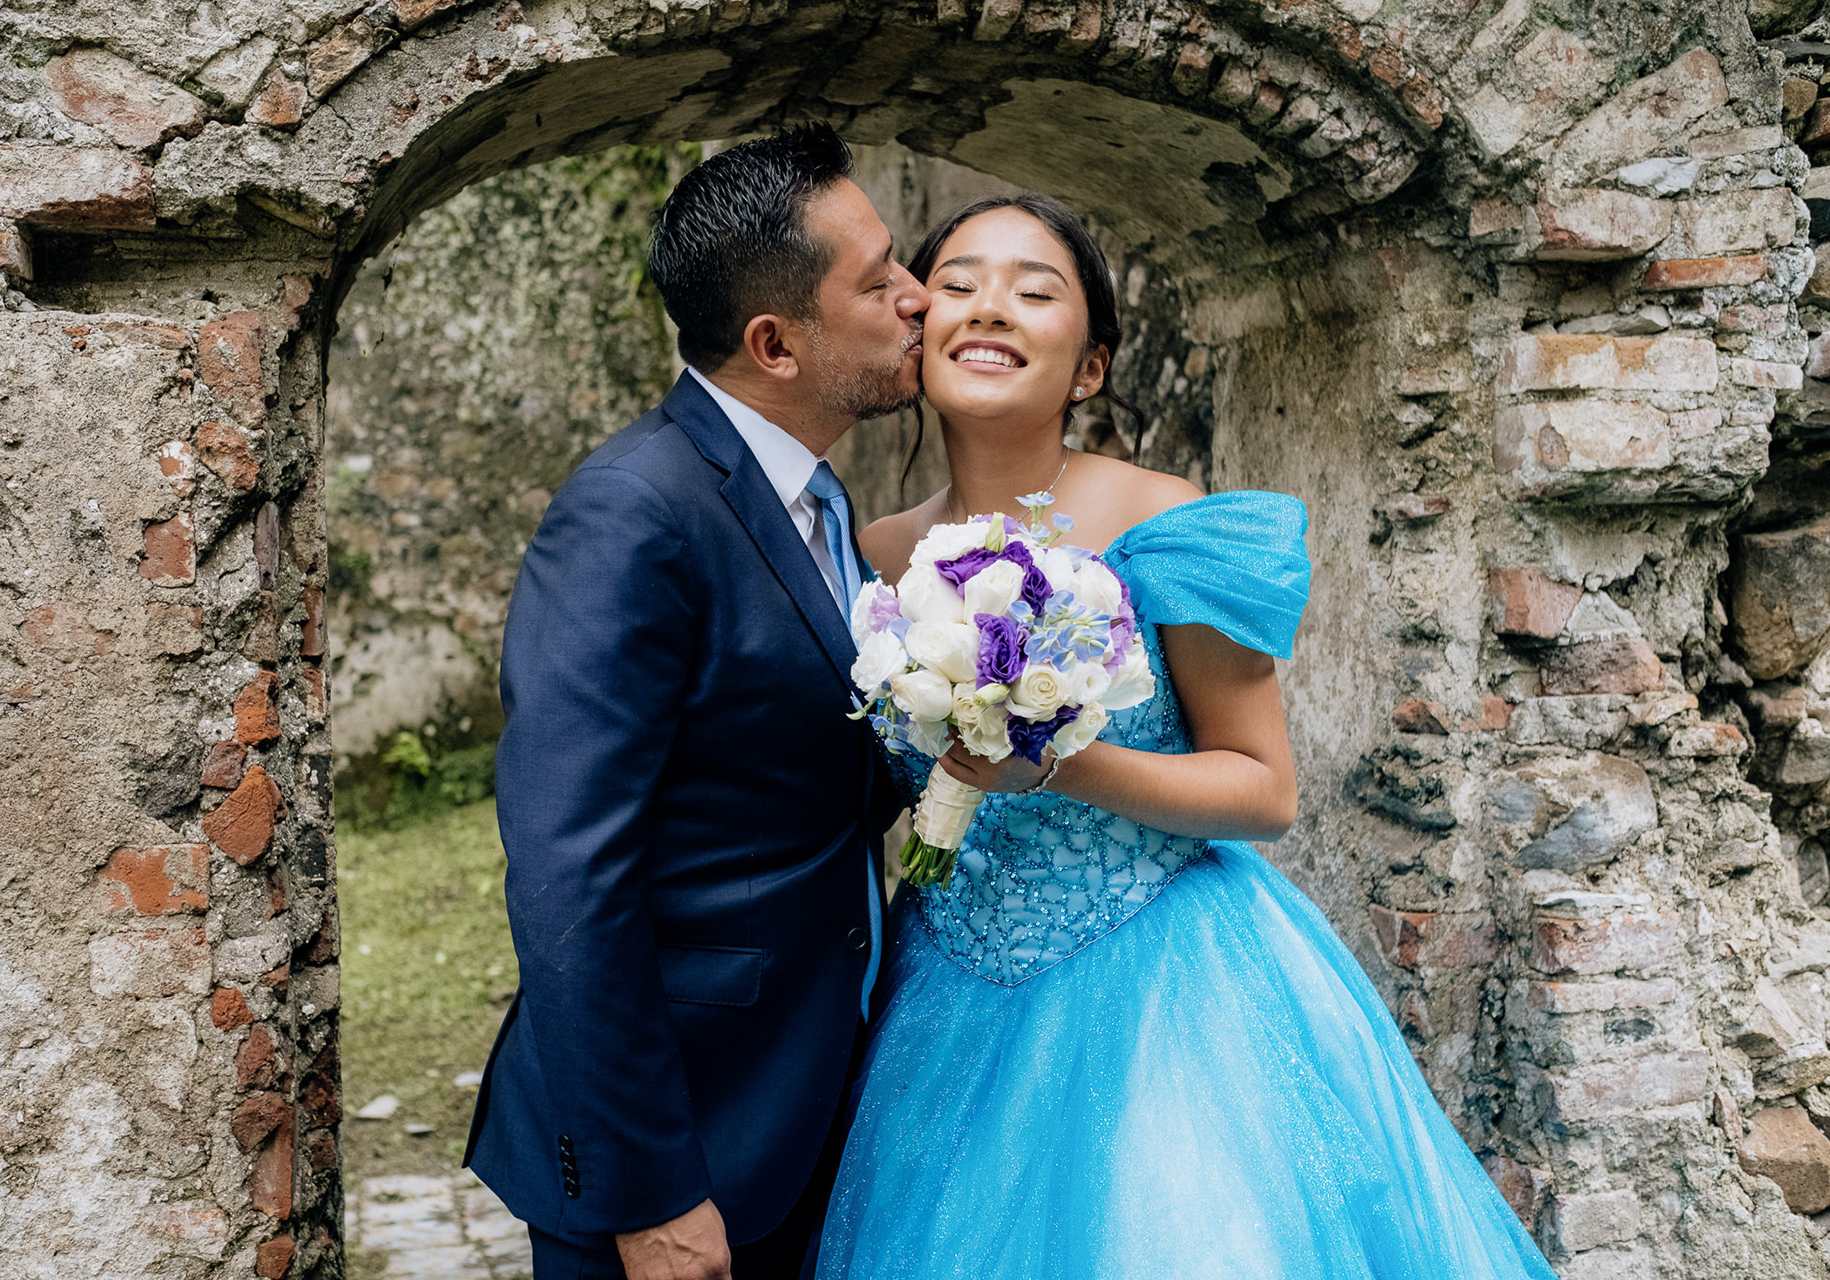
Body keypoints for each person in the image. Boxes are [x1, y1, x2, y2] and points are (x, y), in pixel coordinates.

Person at [817, 194, 1558, 1279]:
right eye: (959, 284)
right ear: (917, 333)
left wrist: (1061, 764)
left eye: (1035, 291)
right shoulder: (872, 554)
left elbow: (1264, 789)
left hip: (1166, 983)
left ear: (1090, 368)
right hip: (946, 987)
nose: (990, 308)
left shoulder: (1167, 521)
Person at [464, 125, 925, 1280]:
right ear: (776, 343)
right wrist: (651, 1189)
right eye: (879, 282)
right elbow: (569, 873)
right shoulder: (632, 513)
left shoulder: (817, 500)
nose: (919, 297)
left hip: (800, 1101)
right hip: (681, 1148)